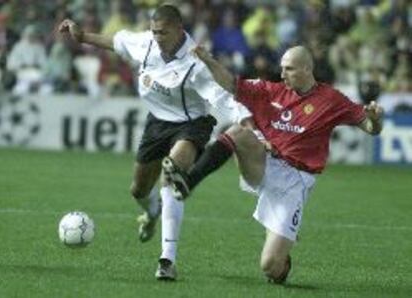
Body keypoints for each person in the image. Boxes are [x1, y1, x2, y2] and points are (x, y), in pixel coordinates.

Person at [163, 45, 384, 284]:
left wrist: (375, 120)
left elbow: (371, 129)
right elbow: (231, 84)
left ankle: (282, 264)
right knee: (237, 132)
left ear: (307, 69)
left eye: (289, 69)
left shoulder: (331, 100)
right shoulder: (270, 91)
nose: (282, 74)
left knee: (270, 266)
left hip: (295, 181)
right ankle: (188, 181)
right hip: (264, 163)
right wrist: (208, 60)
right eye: (281, 68)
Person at [58, 4, 247, 281]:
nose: (157, 37)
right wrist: (83, 36)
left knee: (171, 174)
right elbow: (117, 42)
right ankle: (152, 212)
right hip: (157, 123)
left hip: (191, 124)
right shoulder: (146, 42)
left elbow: (221, 98)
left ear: (179, 30)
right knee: (138, 190)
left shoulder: (195, 63)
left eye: (163, 32)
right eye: (154, 31)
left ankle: (167, 260)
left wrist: (246, 120)